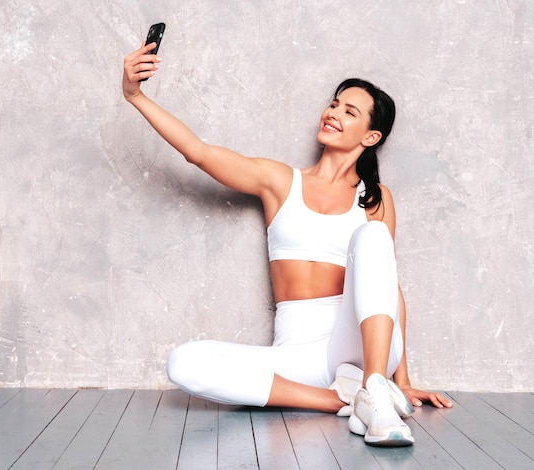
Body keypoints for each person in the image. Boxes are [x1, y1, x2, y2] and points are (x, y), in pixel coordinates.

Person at [122, 40, 453, 447]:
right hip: (297, 355)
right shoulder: (280, 182)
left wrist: (403, 379)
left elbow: (389, 286)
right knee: (183, 363)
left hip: (358, 344)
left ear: (370, 137)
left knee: (372, 236)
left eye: (349, 112)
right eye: (334, 104)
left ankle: (375, 388)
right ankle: (340, 400)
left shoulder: (375, 198)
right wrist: (135, 96)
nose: (333, 113)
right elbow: (199, 153)